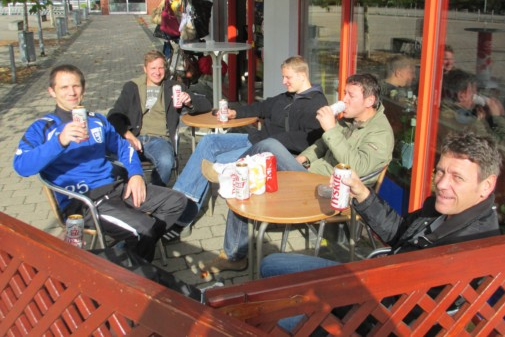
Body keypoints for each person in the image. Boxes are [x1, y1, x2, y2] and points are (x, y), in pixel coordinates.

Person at [260, 132, 501, 330]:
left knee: (268, 316)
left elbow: (411, 313)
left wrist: (328, 296)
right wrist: (362, 194)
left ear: (486, 185)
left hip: (372, 315)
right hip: (368, 284)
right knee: (271, 264)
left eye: (457, 177)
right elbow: (399, 232)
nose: (441, 184)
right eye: (440, 171)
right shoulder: (444, 210)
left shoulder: (472, 245)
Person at [204, 73, 394, 274]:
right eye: (344, 93)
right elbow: (322, 144)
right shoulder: (351, 120)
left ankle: (228, 173)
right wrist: (301, 159)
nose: (343, 99)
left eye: (350, 95)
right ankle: (234, 254)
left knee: (270, 146)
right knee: (247, 182)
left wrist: (331, 129)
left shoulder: (380, 133)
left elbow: (356, 168)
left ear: (369, 101)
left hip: (332, 190)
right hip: (310, 175)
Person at [13, 64, 187, 262]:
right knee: (144, 230)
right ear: (52, 92)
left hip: (115, 188)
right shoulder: (43, 128)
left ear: (83, 89)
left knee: (177, 201)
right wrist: (59, 141)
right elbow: (21, 165)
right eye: (64, 87)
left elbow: (124, 147)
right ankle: (131, 268)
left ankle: (126, 252)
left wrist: (136, 174)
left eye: (76, 86)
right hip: (84, 201)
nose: (72, 92)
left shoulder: (97, 120)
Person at [173, 56, 328, 226]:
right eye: (283, 77)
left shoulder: (317, 103)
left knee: (217, 160)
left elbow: (309, 140)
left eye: (287, 77)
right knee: (209, 141)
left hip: (275, 153)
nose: (284, 81)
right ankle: (178, 202)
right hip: (257, 139)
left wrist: (272, 141)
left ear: (302, 76)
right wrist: (235, 112)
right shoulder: (288, 96)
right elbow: (262, 107)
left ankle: (183, 215)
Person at [107, 50, 211, 186]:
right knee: (113, 162)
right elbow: (113, 115)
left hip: (159, 140)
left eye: (160, 68)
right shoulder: (132, 87)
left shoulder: (174, 87)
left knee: (166, 162)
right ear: (145, 69)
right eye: (153, 68)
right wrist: (128, 135)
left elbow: (206, 105)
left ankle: (155, 192)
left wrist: (189, 101)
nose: (157, 72)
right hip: (134, 137)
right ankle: (127, 192)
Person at [438, 69, 505, 159]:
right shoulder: (471, 124)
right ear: (461, 95)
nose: (476, 97)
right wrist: (499, 118)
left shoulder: (440, 112)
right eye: (473, 93)